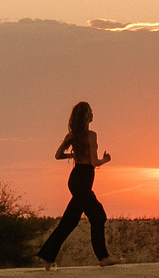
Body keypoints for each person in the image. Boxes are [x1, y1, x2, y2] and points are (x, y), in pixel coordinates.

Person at [38, 100, 112, 267]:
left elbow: (58, 155)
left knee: (73, 220)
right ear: (87, 115)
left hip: (75, 178)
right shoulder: (91, 135)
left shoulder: (72, 135)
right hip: (84, 178)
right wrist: (106, 159)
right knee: (98, 216)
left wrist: (72, 156)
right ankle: (103, 258)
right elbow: (94, 162)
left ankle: (47, 256)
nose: (93, 113)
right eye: (91, 111)